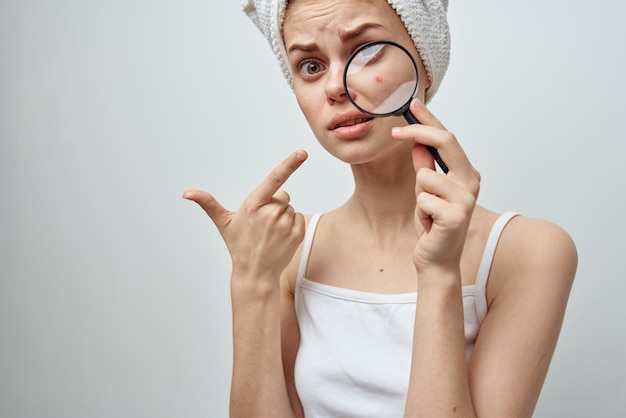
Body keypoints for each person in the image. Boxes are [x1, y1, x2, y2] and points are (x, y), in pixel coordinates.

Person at [183, 0, 578, 416]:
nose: (335, 86)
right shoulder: (287, 252)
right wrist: (251, 282)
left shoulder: (529, 253)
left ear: (424, 60)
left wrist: (440, 272)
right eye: (311, 66)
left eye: (366, 50)